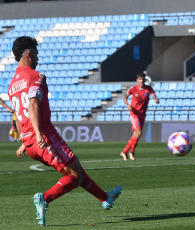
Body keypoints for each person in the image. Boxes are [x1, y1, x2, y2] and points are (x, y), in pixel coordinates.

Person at [8, 36, 122, 226]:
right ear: (28, 54)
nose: (37, 59)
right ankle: (45, 198)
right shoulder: (35, 76)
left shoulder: (12, 85)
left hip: (30, 143)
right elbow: (33, 105)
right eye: (36, 54)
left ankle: (105, 198)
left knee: (75, 166)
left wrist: (25, 139)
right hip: (44, 136)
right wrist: (38, 134)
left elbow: (18, 115)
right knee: (74, 176)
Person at [120, 72, 159, 160]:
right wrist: (128, 105)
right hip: (134, 113)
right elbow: (125, 97)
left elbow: (154, 95)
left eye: (143, 79)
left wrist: (156, 99)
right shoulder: (133, 89)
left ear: (145, 80)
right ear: (137, 80)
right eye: (140, 79)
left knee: (136, 135)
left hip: (142, 114)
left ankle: (124, 152)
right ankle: (132, 152)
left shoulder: (149, 89)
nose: (141, 81)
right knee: (139, 131)